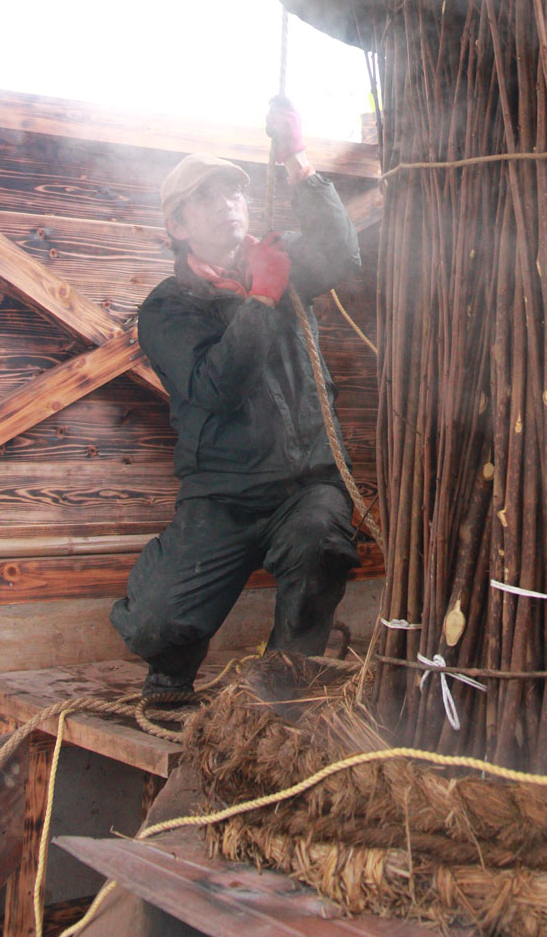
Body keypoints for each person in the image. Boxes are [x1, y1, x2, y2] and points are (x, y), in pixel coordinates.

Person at [110, 97, 362, 703]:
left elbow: (342, 251)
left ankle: (283, 691)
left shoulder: (277, 260)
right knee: (154, 624)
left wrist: (297, 161)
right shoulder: (168, 308)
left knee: (323, 541)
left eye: (236, 194)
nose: (229, 205)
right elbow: (215, 388)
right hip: (221, 494)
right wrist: (261, 301)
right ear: (178, 225)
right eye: (209, 197)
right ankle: (170, 677)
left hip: (304, 483)